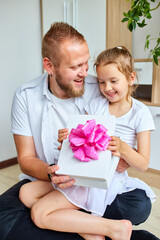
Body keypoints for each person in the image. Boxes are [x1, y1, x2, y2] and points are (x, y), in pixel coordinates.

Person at [0, 22, 157, 240]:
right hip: (52, 178)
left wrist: (124, 155)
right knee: (19, 200)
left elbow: (113, 133)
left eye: (86, 64)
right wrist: (52, 171)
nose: (84, 73)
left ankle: (74, 221)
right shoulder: (26, 95)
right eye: (75, 66)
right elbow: (26, 158)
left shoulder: (101, 89)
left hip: (92, 179)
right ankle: (94, 229)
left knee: (139, 205)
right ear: (49, 66)